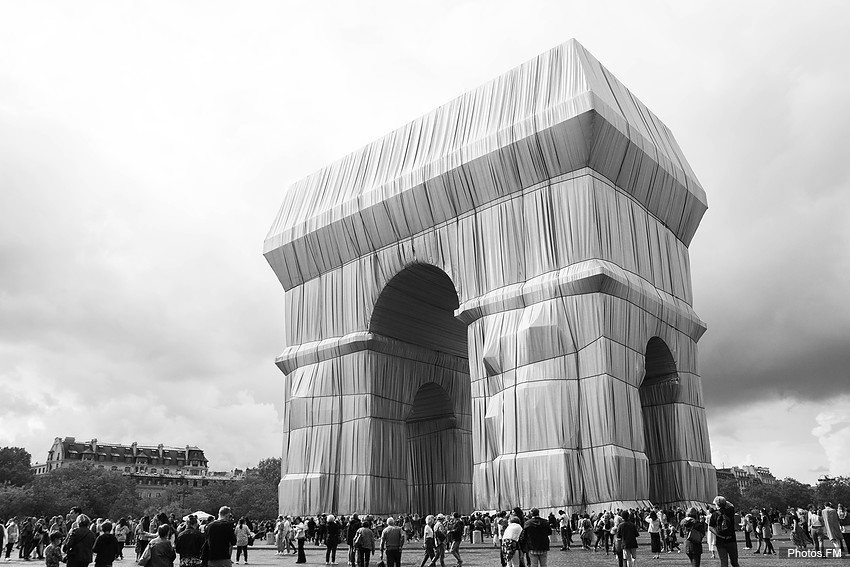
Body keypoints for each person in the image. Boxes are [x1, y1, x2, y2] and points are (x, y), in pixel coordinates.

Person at [708, 496, 739, 567]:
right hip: (731, 539)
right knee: (734, 562)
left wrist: (718, 534)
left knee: (724, 562)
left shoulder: (714, 514)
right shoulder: (730, 511)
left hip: (720, 541)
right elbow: (731, 505)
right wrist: (724, 501)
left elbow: (710, 527)